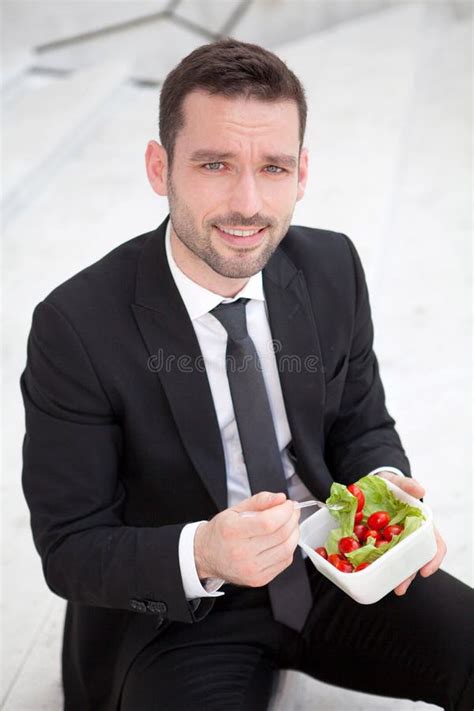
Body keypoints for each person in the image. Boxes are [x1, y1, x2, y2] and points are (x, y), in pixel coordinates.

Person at [20, 38, 473, 711]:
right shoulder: (76, 326)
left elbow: (360, 419)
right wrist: (204, 550)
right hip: (179, 614)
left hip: (329, 570)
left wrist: (381, 494)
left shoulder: (331, 267)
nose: (248, 203)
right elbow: (71, 547)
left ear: (302, 172)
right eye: (215, 164)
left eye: (273, 166)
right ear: (159, 166)